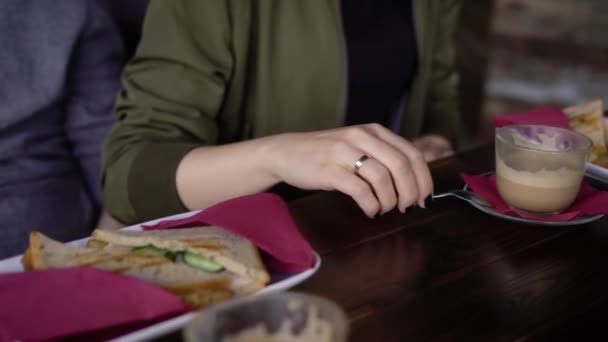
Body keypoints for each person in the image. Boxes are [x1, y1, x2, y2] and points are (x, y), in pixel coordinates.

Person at [102, 0, 462, 225]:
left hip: (372, 241)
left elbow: (439, 90)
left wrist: (434, 140)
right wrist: (278, 155)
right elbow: (128, 171)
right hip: (245, 263)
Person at [0, 0, 124, 258]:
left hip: (53, 249)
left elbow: (110, 152)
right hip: (50, 231)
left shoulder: (68, 10)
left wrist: (104, 257)